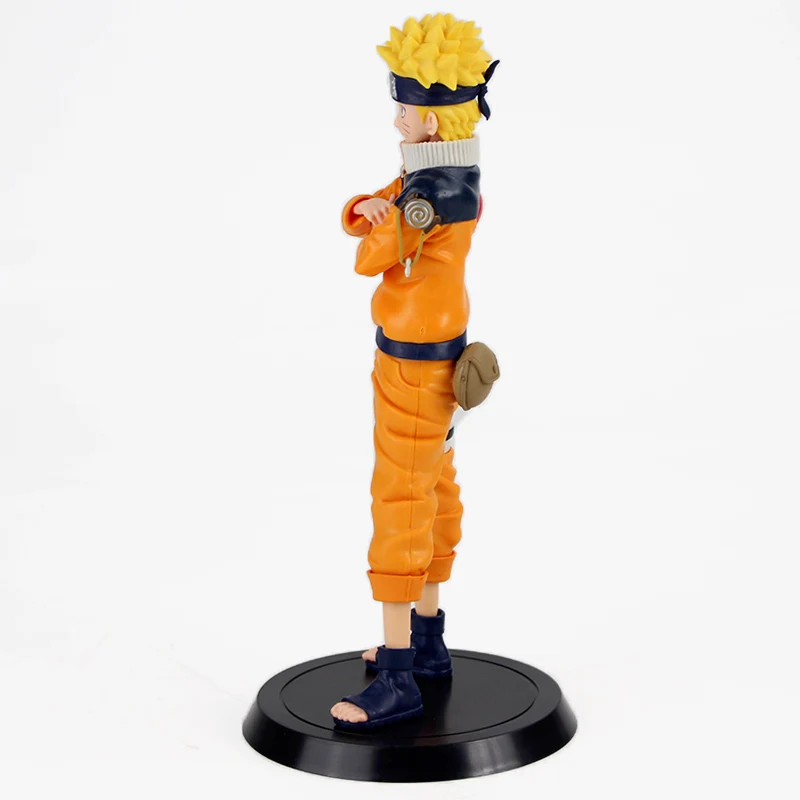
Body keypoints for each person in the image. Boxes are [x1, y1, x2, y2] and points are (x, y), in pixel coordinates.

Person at [331, 13, 499, 729]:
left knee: (400, 499)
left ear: (430, 120)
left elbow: (369, 255)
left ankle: (399, 677)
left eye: (403, 108)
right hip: (442, 351)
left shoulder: (429, 191)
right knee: (435, 487)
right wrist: (374, 207)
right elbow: (373, 215)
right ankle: (427, 641)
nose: (397, 118)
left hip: (411, 365)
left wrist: (381, 217)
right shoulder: (446, 176)